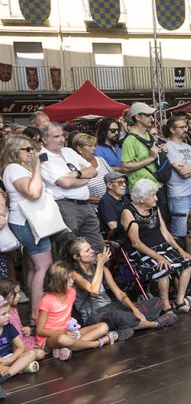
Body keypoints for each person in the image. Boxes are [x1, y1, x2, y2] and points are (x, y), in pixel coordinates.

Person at [66, 238, 176, 341]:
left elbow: (119, 293)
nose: (93, 251)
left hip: (112, 307)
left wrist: (135, 310)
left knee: (156, 302)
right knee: (118, 316)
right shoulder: (74, 274)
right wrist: (100, 263)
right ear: (76, 257)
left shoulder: (104, 270)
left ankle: (121, 330)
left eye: (91, 248)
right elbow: (93, 289)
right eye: (87, 250)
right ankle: (153, 324)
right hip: (94, 316)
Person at [120, 179, 191, 315]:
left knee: (188, 262)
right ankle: (166, 305)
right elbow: (136, 242)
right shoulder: (128, 211)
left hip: (162, 247)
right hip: (141, 252)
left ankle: (179, 301)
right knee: (163, 267)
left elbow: (165, 232)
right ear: (141, 198)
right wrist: (158, 257)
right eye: (152, 195)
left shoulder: (154, 207)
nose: (156, 198)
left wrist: (181, 250)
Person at [2, 135, 55, 325]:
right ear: (16, 151)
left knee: (35, 267)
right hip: (28, 222)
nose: (32, 152)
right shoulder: (14, 168)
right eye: (28, 149)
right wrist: (37, 166)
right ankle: (36, 315)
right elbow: (34, 193)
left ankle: (35, 312)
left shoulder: (18, 168)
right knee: (43, 266)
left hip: (28, 221)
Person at [38, 123, 106, 253]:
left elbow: (93, 171)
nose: (62, 139)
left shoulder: (68, 151)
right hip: (65, 206)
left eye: (62, 135)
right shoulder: (42, 157)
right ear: (45, 139)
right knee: (70, 248)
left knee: (96, 245)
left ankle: (95, 272)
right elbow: (64, 182)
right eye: (56, 136)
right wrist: (84, 178)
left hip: (85, 205)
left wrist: (77, 174)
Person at [36, 262, 118, 361]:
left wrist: (69, 332)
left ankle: (68, 348)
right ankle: (97, 343)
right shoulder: (46, 301)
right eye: (69, 279)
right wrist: (64, 333)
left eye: (72, 277)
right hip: (49, 339)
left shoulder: (71, 293)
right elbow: (40, 331)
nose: (72, 281)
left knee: (103, 327)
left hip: (70, 333)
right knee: (63, 339)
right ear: (59, 281)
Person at [164, 117, 191, 241]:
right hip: (179, 196)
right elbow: (183, 173)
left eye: (185, 127)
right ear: (172, 129)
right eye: (181, 127)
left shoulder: (189, 147)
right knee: (180, 233)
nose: (185, 129)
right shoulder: (169, 147)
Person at [0, 295, 42, 399]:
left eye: (8, 313)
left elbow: (20, 347)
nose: (8, 316)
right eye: (4, 314)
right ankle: (21, 368)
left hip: (10, 358)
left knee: (32, 353)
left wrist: (10, 360)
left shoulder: (9, 327)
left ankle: (7, 374)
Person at [121, 102, 163, 192]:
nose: (151, 118)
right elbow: (125, 167)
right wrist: (150, 158)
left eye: (151, 115)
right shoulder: (130, 140)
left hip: (157, 185)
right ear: (138, 117)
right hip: (141, 191)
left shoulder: (149, 135)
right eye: (147, 115)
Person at [72, 133, 112, 208]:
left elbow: (112, 177)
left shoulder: (100, 160)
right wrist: (103, 200)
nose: (94, 148)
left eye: (94, 145)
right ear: (79, 149)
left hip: (111, 204)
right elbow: (79, 194)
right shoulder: (76, 168)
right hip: (95, 208)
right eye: (90, 146)